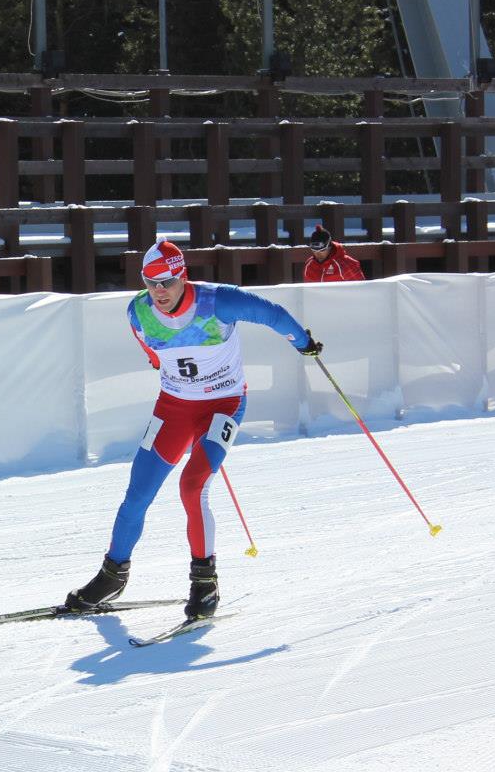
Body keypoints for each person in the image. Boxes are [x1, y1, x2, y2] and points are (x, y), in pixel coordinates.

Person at [65, 240, 323, 620]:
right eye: (150, 282)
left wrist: (304, 343)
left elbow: (274, 315)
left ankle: (205, 581)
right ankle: (112, 575)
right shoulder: (137, 311)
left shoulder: (218, 302)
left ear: (183, 276)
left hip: (224, 405)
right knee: (138, 493)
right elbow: (154, 357)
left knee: (192, 485)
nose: (159, 292)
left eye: (167, 282)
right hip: (174, 407)